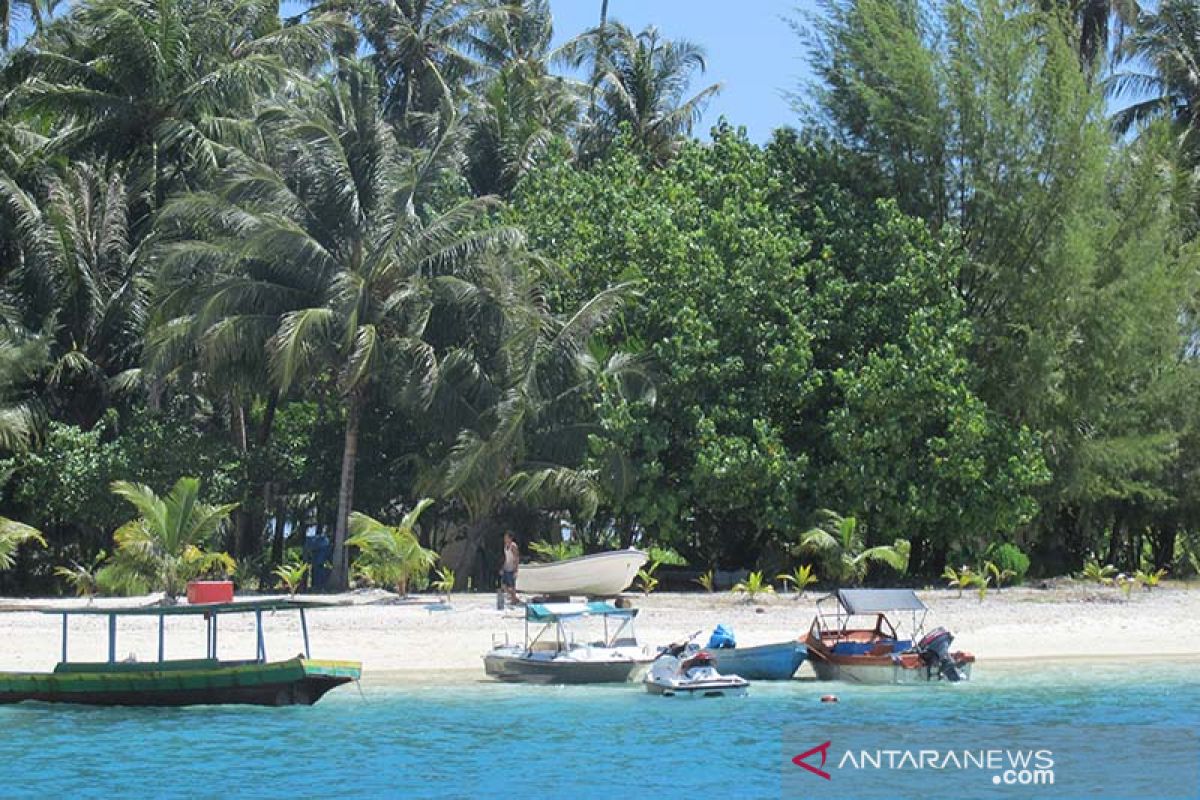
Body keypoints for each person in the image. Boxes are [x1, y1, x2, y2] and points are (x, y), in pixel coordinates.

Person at [500, 532, 520, 605]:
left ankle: (514, 599)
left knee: (512, 586)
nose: (505, 539)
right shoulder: (505, 546)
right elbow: (506, 558)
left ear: (510, 538)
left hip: (512, 568)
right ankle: (514, 598)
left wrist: (516, 570)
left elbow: (516, 558)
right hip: (506, 567)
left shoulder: (513, 546)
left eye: (506, 537)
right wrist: (502, 567)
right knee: (503, 585)